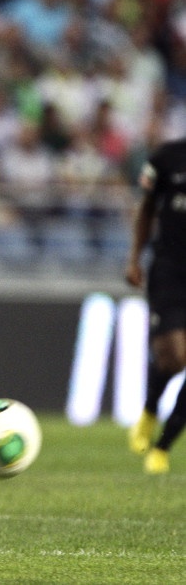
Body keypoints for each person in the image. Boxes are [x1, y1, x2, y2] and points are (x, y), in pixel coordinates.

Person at [126, 138, 186, 475]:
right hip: (170, 270)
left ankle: (162, 447)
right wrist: (134, 257)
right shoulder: (167, 157)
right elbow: (146, 208)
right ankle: (150, 409)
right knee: (174, 356)